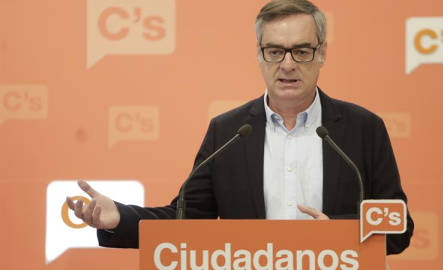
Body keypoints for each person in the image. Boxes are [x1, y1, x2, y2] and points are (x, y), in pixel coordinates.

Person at [67, 0, 413, 255]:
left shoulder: (364, 128)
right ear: (259, 54)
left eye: (302, 51)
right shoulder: (228, 131)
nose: (288, 64)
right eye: (275, 51)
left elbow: (398, 229)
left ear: (322, 53)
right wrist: (119, 218)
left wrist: (336, 235)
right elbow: (187, 218)